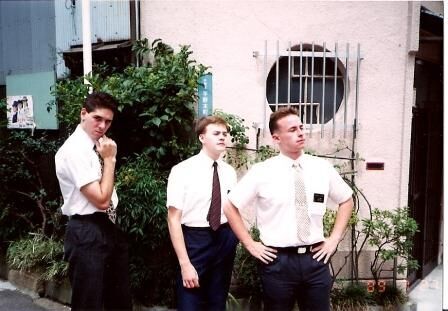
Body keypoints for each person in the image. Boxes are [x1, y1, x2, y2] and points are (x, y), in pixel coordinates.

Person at [224, 107, 354, 311]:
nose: (301, 133)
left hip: (316, 260)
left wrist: (334, 239)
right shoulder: (262, 172)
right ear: (277, 138)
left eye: (301, 127)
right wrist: (250, 244)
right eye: (293, 129)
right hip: (277, 263)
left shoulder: (321, 168)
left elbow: (347, 200)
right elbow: (230, 205)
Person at [55, 92, 132, 311]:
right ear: (83, 114)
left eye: (108, 121)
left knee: (119, 301)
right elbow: (101, 200)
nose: (102, 126)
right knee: (89, 304)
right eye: (97, 118)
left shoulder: (93, 147)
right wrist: (110, 160)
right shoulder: (74, 151)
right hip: (86, 230)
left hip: (107, 228)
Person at [166, 115, 238, 311]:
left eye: (225, 133)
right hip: (195, 240)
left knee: (217, 303)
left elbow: (233, 210)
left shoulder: (229, 172)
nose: (222, 137)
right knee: (189, 302)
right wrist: (185, 264)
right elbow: (173, 219)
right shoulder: (182, 171)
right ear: (201, 138)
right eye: (216, 133)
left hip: (224, 238)